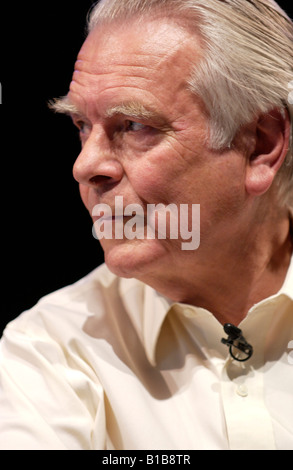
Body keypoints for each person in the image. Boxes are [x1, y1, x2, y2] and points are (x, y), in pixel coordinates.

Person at [0, 0, 293, 450]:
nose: (85, 166)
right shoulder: (49, 350)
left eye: (133, 125)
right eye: (81, 124)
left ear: (261, 145)